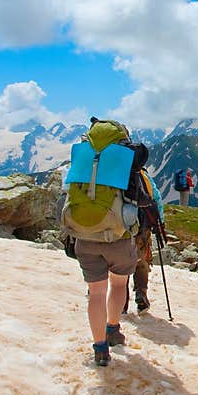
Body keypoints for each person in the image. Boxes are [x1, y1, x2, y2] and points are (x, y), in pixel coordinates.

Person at [63, 117, 139, 368]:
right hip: (117, 236)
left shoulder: (82, 157)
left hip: (83, 236)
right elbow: (139, 198)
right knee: (118, 285)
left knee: (95, 292)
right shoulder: (125, 160)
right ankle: (113, 329)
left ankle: (100, 349)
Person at [124, 166, 165, 316]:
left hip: (119, 227)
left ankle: (121, 303)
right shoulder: (143, 176)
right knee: (141, 262)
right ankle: (141, 294)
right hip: (142, 227)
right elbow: (157, 198)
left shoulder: (116, 173)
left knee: (121, 265)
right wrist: (161, 223)